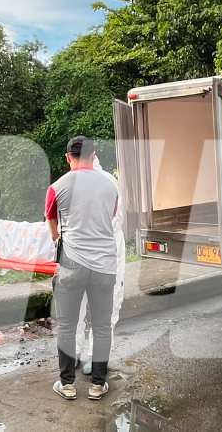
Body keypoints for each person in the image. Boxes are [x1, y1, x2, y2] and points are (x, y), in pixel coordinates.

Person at [47, 136, 119, 401]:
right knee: (101, 326)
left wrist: (61, 240)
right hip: (104, 266)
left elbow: (52, 224)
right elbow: (110, 217)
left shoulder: (57, 186)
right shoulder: (111, 186)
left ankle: (67, 384)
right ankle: (97, 385)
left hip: (71, 265)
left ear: (68, 158)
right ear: (93, 155)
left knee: (67, 325)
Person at [76, 154, 125, 376]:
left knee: (87, 304)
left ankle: (91, 357)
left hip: (98, 247)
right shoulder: (104, 181)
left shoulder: (101, 182)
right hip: (98, 247)